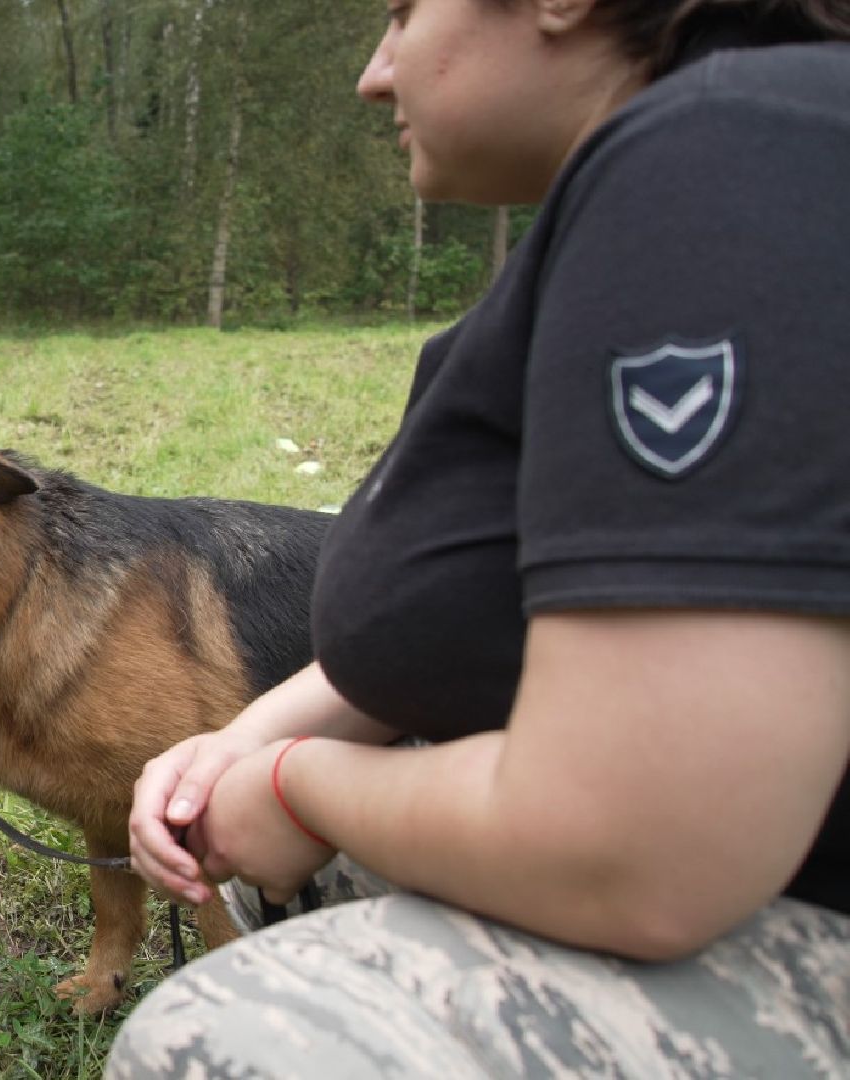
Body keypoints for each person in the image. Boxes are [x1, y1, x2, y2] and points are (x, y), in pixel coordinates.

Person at [110, 0, 850, 1074]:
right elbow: (482, 604)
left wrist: (295, 785)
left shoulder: (726, 163)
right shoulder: (666, 184)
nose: (373, 72)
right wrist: (236, 745)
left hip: (780, 907)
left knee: (224, 1042)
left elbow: (638, 850)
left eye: (407, 12)